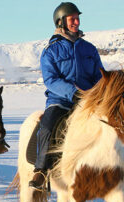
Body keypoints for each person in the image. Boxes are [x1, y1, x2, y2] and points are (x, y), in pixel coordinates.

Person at [28, 2, 104, 190]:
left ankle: (116, 169)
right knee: (47, 127)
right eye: (72, 19)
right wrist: (73, 93)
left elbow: (99, 75)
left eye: (78, 18)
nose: (76, 22)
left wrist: (97, 92)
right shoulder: (50, 51)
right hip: (60, 100)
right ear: (61, 21)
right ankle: (41, 170)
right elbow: (51, 80)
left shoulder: (89, 49)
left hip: (89, 100)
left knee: (114, 122)